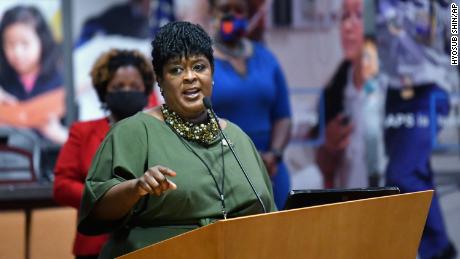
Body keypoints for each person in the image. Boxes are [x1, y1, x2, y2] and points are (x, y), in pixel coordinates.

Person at [77, 21, 276, 258]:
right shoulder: (134, 132)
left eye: (199, 67)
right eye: (176, 70)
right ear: (160, 82)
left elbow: (268, 213)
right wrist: (136, 187)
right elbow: (97, 210)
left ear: (211, 74)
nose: (190, 77)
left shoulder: (237, 138)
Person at [53, 49, 155, 259]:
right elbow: (62, 185)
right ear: (104, 90)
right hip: (95, 244)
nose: (127, 91)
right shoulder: (82, 132)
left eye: (134, 86)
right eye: (118, 87)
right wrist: (107, 200)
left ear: (145, 90)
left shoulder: (159, 132)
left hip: (146, 241)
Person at [378, 1, 457, 258]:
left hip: (431, 88)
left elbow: (456, 51)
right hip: (394, 89)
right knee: (417, 173)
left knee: (402, 174)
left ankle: (436, 249)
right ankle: (438, 250)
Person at [208, 0, 292, 209]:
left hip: (271, 170)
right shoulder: (202, 62)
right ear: (212, 13)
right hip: (223, 172)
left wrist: (275, 154)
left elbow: (283, 116)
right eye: (225, 10)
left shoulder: (266, 57)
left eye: (239, 10)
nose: (232, 16)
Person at [312, 0, 385, 189]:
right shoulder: (335, 89)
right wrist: (330, 146)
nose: (347, 27)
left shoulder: (394, 85)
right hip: (351, 204)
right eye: (344, 16)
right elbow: (323, 167)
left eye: (359, 16)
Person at [0, 5, 66, 144]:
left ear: (41, 41)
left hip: (50, 158)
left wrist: (59, 135)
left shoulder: (61, 81)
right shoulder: (3, 80)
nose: (17, 53)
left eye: (25, 44)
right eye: (10, 44)